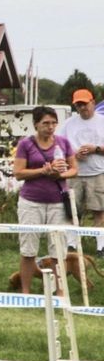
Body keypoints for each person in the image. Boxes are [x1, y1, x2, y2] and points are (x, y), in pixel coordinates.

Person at [13, 106, 78, 294]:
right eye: (45, 123)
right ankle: (25, 292)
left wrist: (61, 174)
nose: (50, 127)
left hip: (58, 201)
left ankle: (60, 292)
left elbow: (74, 169)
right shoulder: (26, 144)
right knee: (28, 249)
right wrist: (43, 171)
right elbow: (18, 173)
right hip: (31, 202)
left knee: (58, 249)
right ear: (36, 124)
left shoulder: (63, 142)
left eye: (53, 123)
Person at [62, 89, 104, 257]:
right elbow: (59, 147)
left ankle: (101, 246)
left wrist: (96, 149)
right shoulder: (68, 124)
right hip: (75, 174)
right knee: (72, 211)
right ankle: (71, 245)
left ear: (93, 102)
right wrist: (73, 155)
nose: (82, 108)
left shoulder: (102, 121)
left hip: (98, 173)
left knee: (99, 211)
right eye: (78, 105)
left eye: (84, 104)